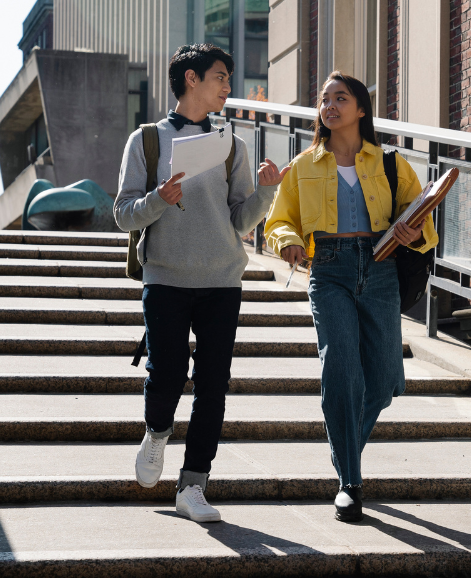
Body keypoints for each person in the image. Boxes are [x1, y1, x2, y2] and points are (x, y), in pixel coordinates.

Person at [114, 43, 288, 523]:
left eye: (229, 78)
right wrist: (159, 198)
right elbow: (123, 215)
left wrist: (268, 190)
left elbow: (239, 222)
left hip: (221, 279)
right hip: (166, 277)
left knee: (213, 385)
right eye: (220, 77)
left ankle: (194, 486)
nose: (228, 86)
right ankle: (156, 432)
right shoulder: (146, 141)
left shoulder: (233, 144)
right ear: (191, 79)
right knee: (166, 374)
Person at [264, 72, 438, 522]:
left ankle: (343, 451)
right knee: (340, 369)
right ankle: (350, 482)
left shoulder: (392, 165)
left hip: (381, 267)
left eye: (340, 98)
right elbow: (278, 220)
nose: (330, 106)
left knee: (382, 380)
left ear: (362, 109)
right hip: (330, 270)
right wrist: (287, 242)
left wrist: (412, 229)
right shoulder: (303, 165)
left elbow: (425, 226)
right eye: (324, 99)